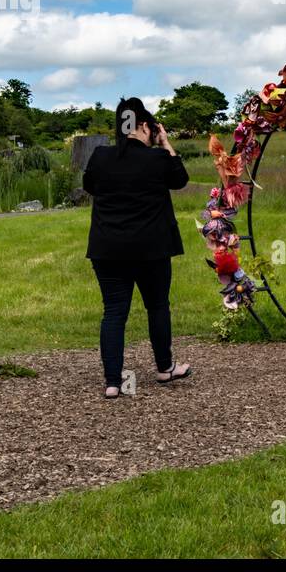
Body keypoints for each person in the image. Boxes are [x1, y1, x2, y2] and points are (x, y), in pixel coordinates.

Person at [83, 97, 193, 399]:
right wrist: (166, 144)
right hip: (151, 249)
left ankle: (112, 382)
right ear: (144, 125)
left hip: (108, 249)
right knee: (157, 306)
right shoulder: (157, 159)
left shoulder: (100, 156)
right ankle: (164, 367)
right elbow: (180, 180)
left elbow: (91, 186)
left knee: (114, 313)